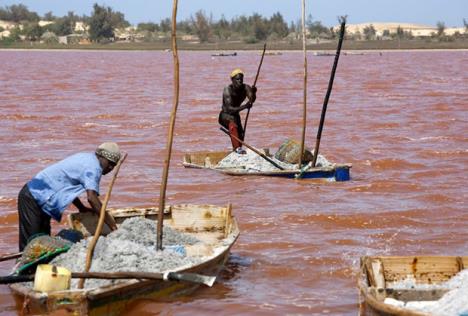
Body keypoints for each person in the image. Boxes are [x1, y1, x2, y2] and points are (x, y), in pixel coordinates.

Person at [17, 142, 121, 251]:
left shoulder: (86, 158)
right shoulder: (93, 168)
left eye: (114, 165)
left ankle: (38, 267)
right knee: (31, 245)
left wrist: (81, 207)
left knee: (42, 243)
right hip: (33, 196)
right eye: (110, 163)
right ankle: (25, 266)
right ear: (101, 157)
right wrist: (113, 227)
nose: (111, 167)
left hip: (43, 201)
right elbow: (92, 198)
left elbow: (67, 188)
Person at [218, 68, 257, 154]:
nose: (240, 81)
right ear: (232, 80)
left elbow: (251, 99)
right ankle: (237, 149)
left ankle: (237, 150)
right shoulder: (227, 90)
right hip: (225, 115)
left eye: (241, 79)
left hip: (235, 115)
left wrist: (254, 93)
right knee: (233, 124)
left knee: (241, 136)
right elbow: (229, 109)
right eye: (237, 79)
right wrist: (245, 106)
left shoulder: (245, 87)